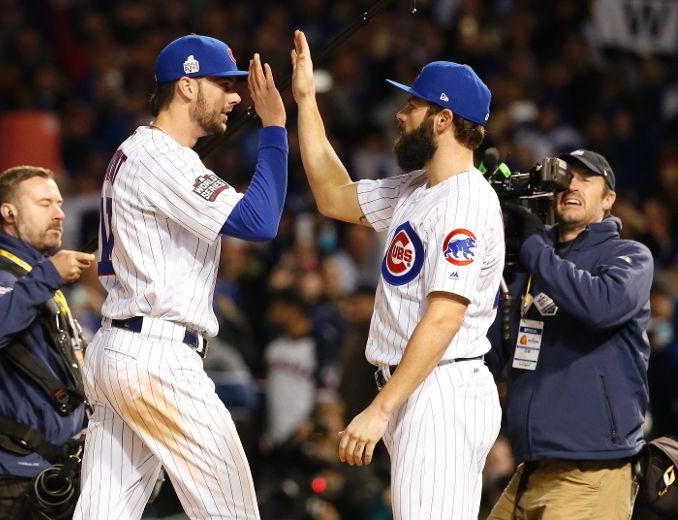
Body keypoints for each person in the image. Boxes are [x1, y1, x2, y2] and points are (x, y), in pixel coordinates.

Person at [290, 30, 504, 519]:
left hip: (440, 391)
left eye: (413, 105)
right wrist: (306, 101)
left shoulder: (464, 201)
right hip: (419, 388)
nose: (400, 114)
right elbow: (332, 195)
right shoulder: (419, 187)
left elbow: (445, 319)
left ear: (444, 119)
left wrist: (380, 408)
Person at [74, 34, 287, 520]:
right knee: (233, 512)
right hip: (157, 359)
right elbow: (260, 222)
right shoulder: (163, 157)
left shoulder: (137, 152)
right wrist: (275, 128)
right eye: (223, 84)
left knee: (104, 513)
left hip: (120, 349)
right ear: (187, 87)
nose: (236, 97)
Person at [485, 150, 653, 519]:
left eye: (585, 179)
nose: (571, 185)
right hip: (531, 468)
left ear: (608, 199)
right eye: (564, 178)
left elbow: (600, 306)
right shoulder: (529, 264)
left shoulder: (629, 256)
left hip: (592, 471)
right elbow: (492, 354)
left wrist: (533, 248)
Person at [0, 165, 94, 519]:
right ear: (9, 212)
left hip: (51, 477)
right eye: (44, 203)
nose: (59, 213)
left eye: (60, 203)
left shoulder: (40, 282)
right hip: (13, 483)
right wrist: (49, 274)